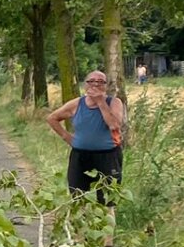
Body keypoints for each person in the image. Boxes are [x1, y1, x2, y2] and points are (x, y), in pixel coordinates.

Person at [46, 70, 126, 202]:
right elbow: (52, 118)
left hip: (108, 156)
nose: (95, 84)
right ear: (85, 85)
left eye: (100, 82)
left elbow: (115, 125)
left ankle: (108, 222)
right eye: (91, 81)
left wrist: (100, 102)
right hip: (80, 157)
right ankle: (81, 222)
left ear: (106, 86)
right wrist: (67, 137)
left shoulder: (114, 102)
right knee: (77, 197)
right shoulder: (77, 103)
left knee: (108, 199)